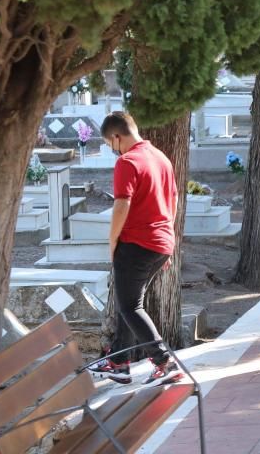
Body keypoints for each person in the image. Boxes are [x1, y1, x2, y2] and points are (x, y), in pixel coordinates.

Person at [89, 112, 181, 385]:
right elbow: (173, 199)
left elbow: (121, 205)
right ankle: (119, 362)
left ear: (117, 137)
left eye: (109, 144)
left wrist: (113, 240)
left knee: (130, 306)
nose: (112, 150)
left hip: (136, 242)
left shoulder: (128, 162)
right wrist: (168, 238)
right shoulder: (160, 157)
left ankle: (164, 361)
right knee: (126, 302)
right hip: (160, 241)